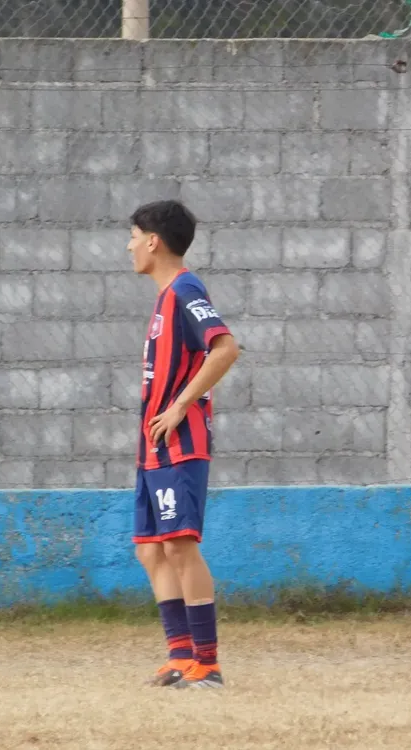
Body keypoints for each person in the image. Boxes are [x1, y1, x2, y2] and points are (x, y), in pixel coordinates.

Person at [126, 200, 240, 689]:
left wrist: (179, 407)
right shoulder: (163, 297)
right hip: (153, 446)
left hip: (180, 441)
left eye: (133, 235)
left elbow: (226, 347)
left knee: (179, 545)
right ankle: (180, 657)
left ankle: (208, 664)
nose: (129, 246)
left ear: (154, 241)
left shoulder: (185, 288)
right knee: (151, 550)